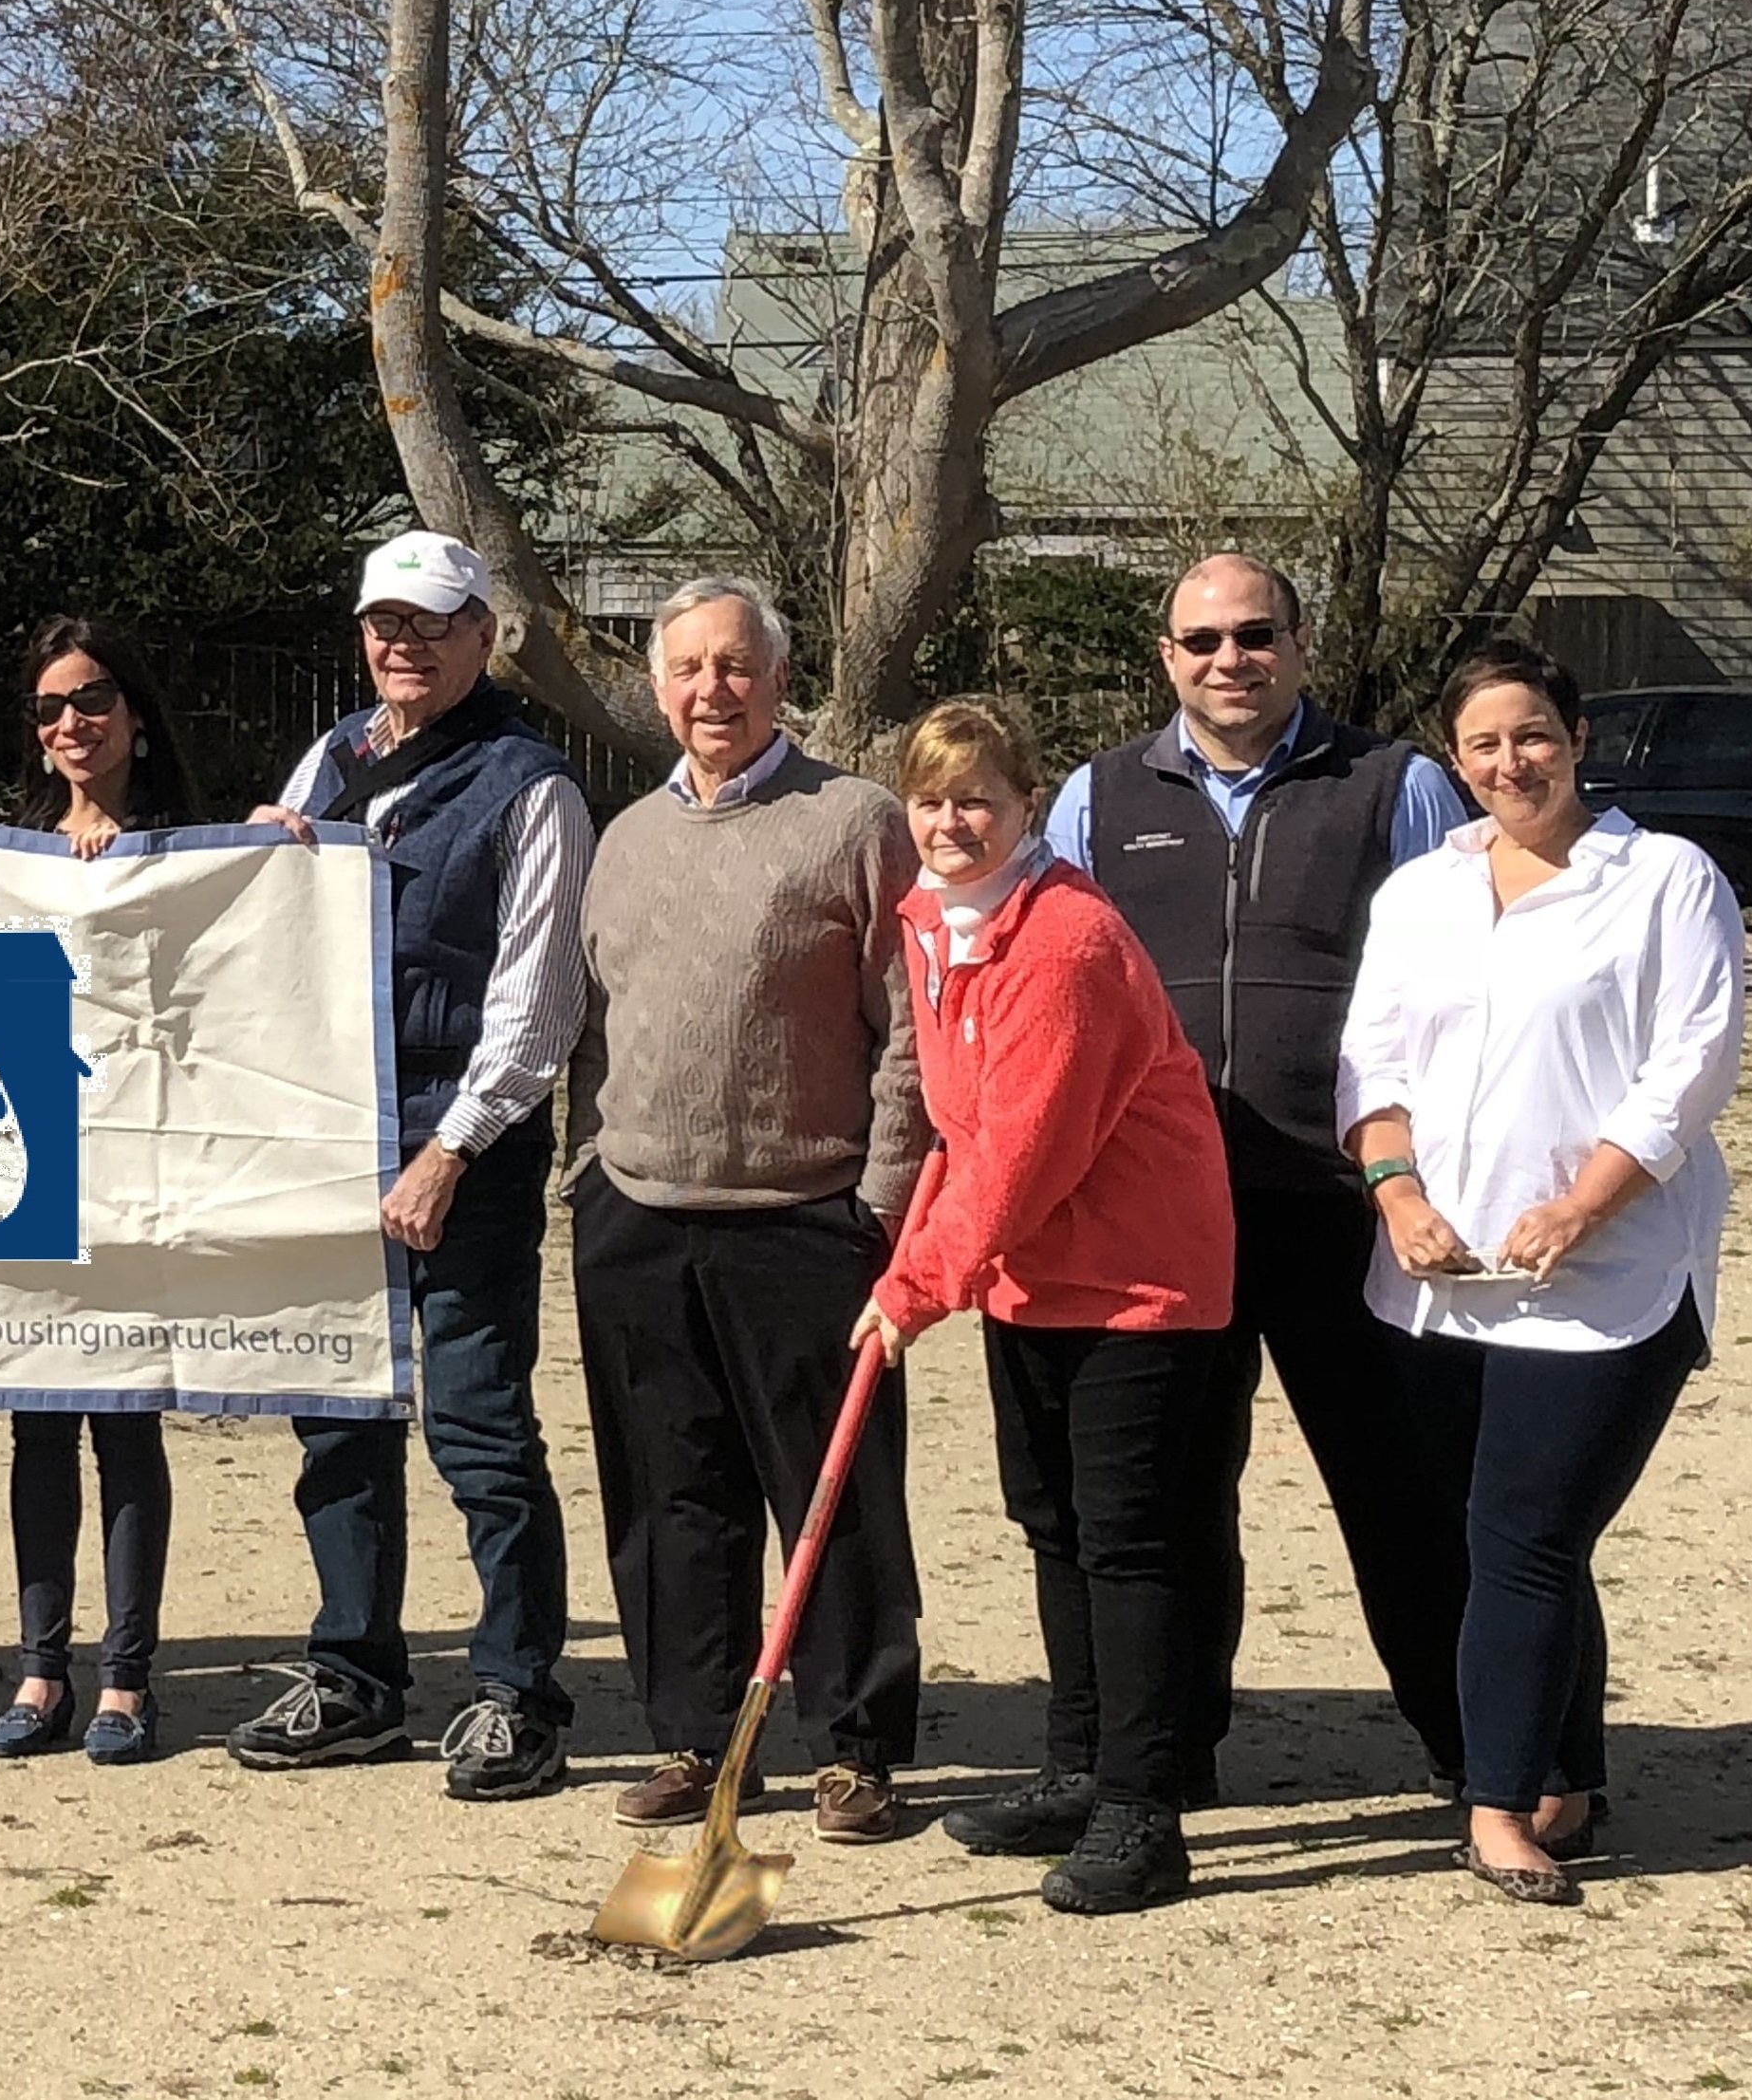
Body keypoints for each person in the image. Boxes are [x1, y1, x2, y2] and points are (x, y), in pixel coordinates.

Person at [1043, 553, 1478, 1794]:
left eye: (1253, 634)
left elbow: (1461, 994)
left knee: (1403, 1493)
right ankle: (1165, 1758)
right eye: (1200, 640)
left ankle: (1495, 1757)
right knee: (1168, 1502)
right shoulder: (1096, 795)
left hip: (1350, 1209)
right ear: (1165, 656)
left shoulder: (1393, 786)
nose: (1227, 659)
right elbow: (1061, 983)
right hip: (1168, 1215)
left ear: (1297, 642)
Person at [1339, 640, 1741, 1907]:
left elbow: (1689, 1064)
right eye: (1482, 744)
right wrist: (1394, 1193)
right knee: (1502, 1543)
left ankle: (1498, 1802)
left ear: (1575, 734)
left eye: (1532, 734)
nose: (1511, 762)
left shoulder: (1665, 878)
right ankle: (1567, 1768)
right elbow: (1370, 1062)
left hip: (1606, 1282)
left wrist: (1583, 1200)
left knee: (1522, 1534)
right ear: (1453, 762)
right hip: (1435, 1281)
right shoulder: (1420, 892)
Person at [848, 698, 1239, 1915]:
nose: (950, 822)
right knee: (1053, 1522)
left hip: (1136, 1282)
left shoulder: (1062, 941)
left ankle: (1142, 1806)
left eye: (976, 799)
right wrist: (912, 1249)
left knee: (1128, 1540)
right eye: (928, 800)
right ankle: (1077, 1767)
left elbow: (1024, 1150)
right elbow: (956, 1134)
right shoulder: (931, 924)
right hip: (1033, 1278)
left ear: (1026, 808)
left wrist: (920, 1287)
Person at [224, 533, 598, 1805]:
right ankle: (356, 1673)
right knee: (336, 1414)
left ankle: (516, 1689)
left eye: (431, 623)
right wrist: (255, 858)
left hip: (462, 1146)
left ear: (482, 634)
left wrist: (451, 1148)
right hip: (328, 1139)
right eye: (384, 622)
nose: (404, 645)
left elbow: (537, 1003)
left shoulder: (528, 783)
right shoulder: (330, 758)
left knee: (479, 1422)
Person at [569, 575, 927, 1844]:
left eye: (736, 665)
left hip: (804, 1214)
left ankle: (855, 1747)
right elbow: (595, 1026)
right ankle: (690, 1730)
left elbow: (910, 1030)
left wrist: (882, 1202)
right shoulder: (625, 839)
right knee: (671, 1493)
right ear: (657, 685)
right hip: (638, 1214)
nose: (711, 689)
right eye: (688, 668)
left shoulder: (853, 819)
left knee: (829, 1496)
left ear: (779, 677)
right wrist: (587, 1172)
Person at [0, 618, 196, 1768]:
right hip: (32, 1171)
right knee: (34, 1427)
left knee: (124, 1425)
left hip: (140, 1177)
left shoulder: (201, 855)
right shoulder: (5, 851)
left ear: (136, 712)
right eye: (49, 707)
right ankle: (38, 1667)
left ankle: (124, 1678)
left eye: (93, 698)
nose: (71, 723)